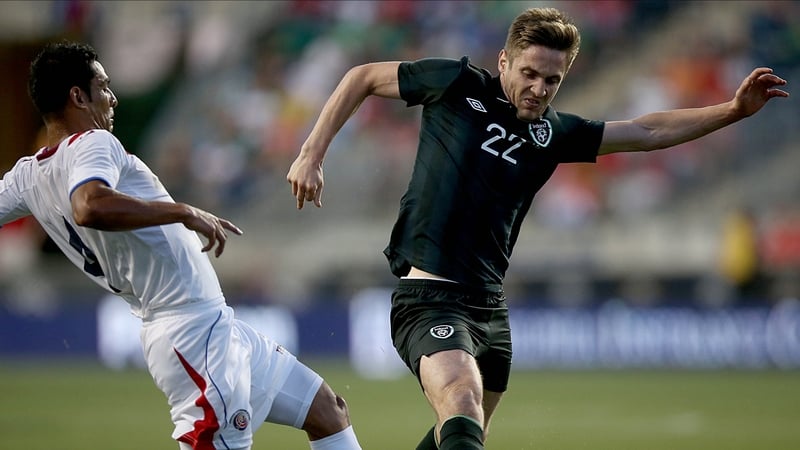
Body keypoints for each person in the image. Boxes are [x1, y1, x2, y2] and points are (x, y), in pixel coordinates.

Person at [287, 6, 789, 450]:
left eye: (553, 80)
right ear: (504, 62)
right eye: (529, 73)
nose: (539, 89)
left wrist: (732, 110)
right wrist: (312, 154)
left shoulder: (554, 133)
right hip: (428, 298)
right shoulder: (457, 86)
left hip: (491, 309)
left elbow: (645, 131)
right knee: (461, 400)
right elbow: (362, 76)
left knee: (460, 431)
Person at [0, 41, 362, 450]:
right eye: (103, 85)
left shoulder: (25, 177)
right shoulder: (93, 143)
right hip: (190, 331)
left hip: (212, 325)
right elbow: (89, 206)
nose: (113, 97)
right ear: (78, 97)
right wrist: (184, 212)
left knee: (327, 410)